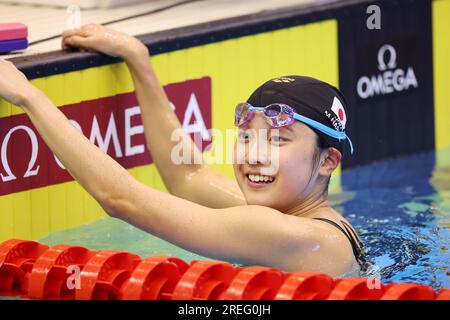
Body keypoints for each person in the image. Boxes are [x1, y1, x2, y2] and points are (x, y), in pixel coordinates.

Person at [0, 24, 365, 276]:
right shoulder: (313, 223)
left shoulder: (290, 234)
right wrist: (137, 58)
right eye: (246, 137)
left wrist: (29, 97)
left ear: (328, 161)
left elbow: (121, 200)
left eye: (277, 140)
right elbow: (188, 176)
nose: (255, 155)